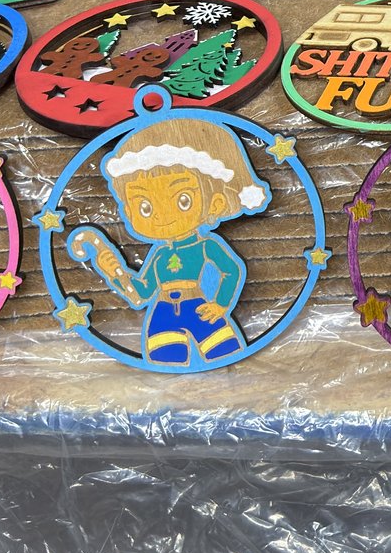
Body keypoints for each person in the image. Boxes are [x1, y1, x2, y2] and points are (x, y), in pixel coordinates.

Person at [64, 115, 272, 365]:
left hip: (200, 309)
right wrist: (115, 271)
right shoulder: (160, 256)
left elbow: (231, 271)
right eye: (145, 206)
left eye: (182, 199)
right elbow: (142, 293)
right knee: (165, 360)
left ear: (215, 203)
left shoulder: (207, 245)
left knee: (226, 353)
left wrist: (221, 305)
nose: (163, 217)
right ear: (128, 212)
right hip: (161, 314)